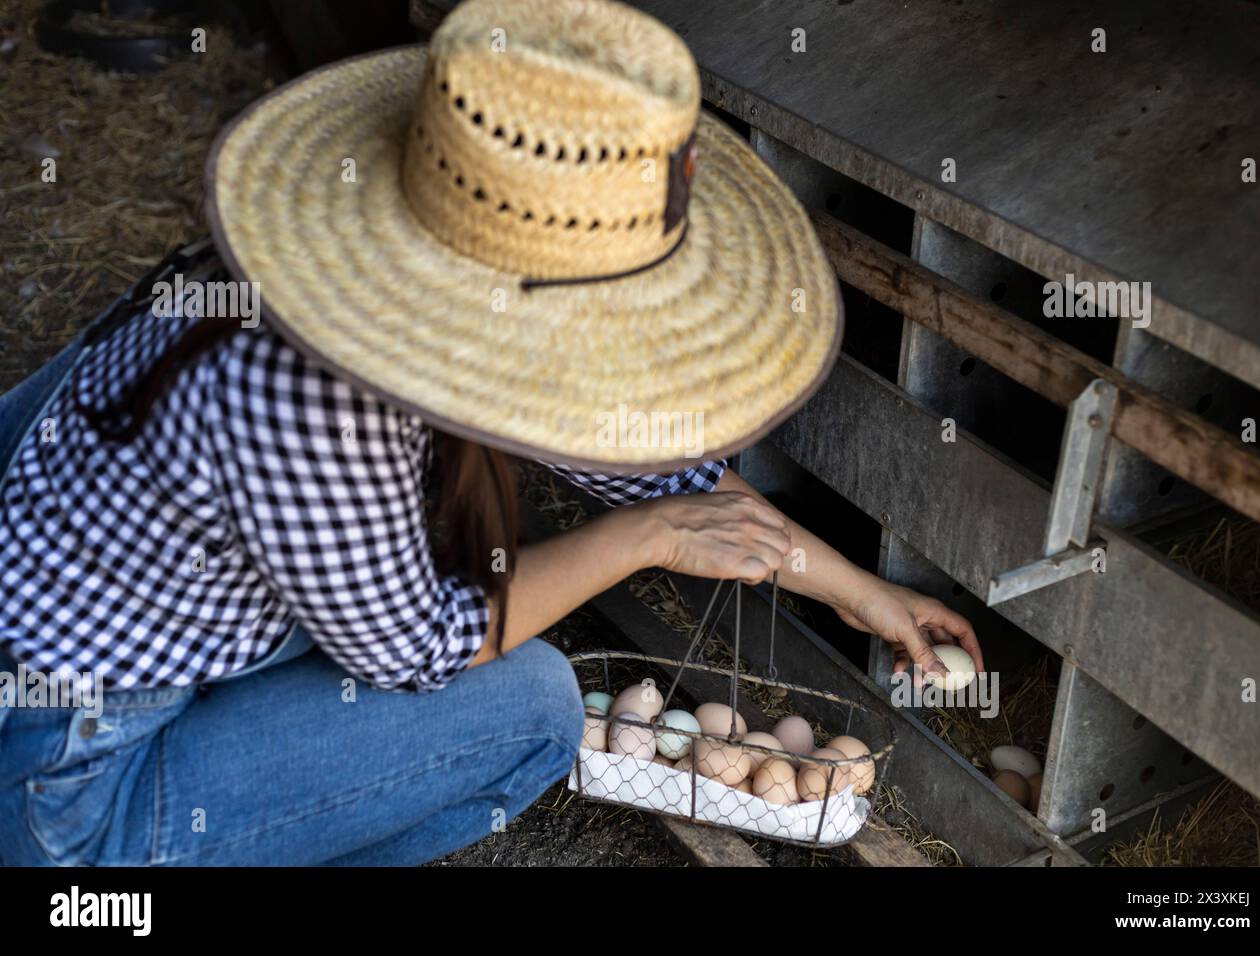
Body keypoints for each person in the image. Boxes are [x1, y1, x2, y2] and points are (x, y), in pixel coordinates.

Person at [0, 0, 980, 866]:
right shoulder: (317, 399)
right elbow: (421, 649)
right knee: (530, 712)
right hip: (68, 781)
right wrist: (645, 541)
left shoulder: (387, 255)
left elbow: (661, 473)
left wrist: (863, 595)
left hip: (99, 598)